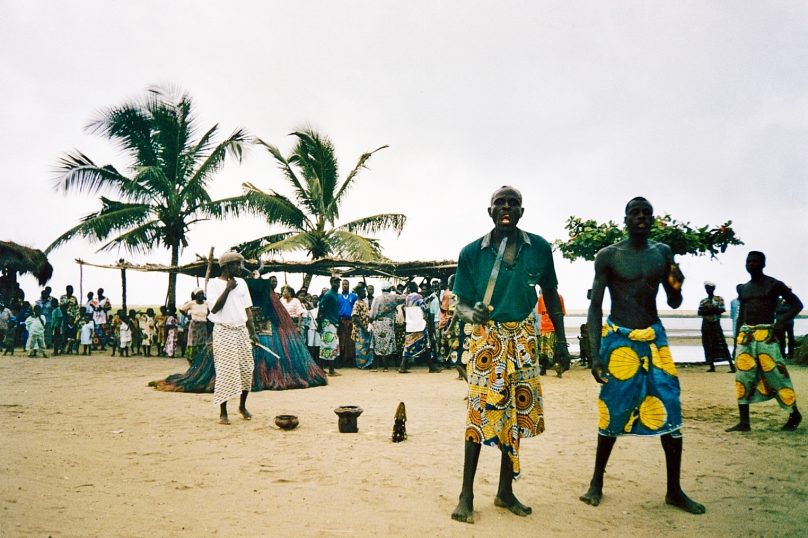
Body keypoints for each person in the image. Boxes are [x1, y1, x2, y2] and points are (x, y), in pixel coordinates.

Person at [451, 186, 570, 524]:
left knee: (515, 418)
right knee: (479, 414)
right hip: (487, 341)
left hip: (524, 339)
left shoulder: (540, 248)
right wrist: (472, 313)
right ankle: (466, 494)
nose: (506, 208)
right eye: (500, 203)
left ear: (522, 211)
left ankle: (505, 491)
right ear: (489, 211)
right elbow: (459, 301)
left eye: (512, 203)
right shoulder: (472, 252)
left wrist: (561, 343)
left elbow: (549, 293)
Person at [579, 196, 705, 515]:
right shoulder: (608, 256)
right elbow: (595, 306)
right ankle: (596, 482)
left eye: (646, 213)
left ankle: (674, 491)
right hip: (619, 339)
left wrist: (676, 284)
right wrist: (595, 355)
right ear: (625, 219)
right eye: (635, 212)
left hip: (654, 338)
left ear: (653, 219)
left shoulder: (662, 253)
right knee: (613, 408)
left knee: (670, 406)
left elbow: (675, 301)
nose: (641, 217)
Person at [726, 251, 802, 432]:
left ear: (763, 264)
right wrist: (737, 340)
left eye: (755, 262)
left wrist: (781, 321)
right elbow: (741, 315)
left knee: (776, 374)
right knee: (743, 377)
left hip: (766, 335)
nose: (751, 264)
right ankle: (744, 422)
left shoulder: (773, 284)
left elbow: (797, 305)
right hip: (746, 336)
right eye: (748, 262)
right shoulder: (743, 288)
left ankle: (794, 413)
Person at [207, 251, 259, 425]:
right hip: (223, 330)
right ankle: (223, 412)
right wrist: (228, 288)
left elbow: (247, 310)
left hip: (241, 330)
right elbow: (214, 309)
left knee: (246, 368)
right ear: (226, 267)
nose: (240, 267)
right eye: (236, 264)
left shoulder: (243, 283)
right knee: (225, 371)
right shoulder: (214, 284)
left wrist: (253, 332)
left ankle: (242, 406)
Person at [698, 282, 736, 372]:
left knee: (721, 343)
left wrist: (709, 310)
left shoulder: (719, 299)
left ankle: (731, 366)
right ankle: (712, 366)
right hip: (706, 324)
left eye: (709, 288)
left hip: (716, 323)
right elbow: (700, 312)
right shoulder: (703, 301)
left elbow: (722, 309)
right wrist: (713, 310)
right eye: (707, 288)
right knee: (708, 344)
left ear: (713, 289)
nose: (708, 290)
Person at [369, 282, 403, 371]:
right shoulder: (394, 297)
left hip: (378, 323)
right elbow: (405, 297)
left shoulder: (377, 299)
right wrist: (396, 290)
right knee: (387, 344)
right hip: (389, 323)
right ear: (390, 289)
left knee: (377, 343)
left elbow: (372, 313)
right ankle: (385, 367)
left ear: (381, 289)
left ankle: (375, 367)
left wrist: (371, 321)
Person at [537, 290, 566, 376]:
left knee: (543, 350)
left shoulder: (541, 298)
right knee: (556, 349)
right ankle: (558, 370)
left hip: (544, 328)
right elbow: (562, 313)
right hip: (554, 327)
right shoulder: (559, 297)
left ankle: (544, 369)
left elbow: (540, 313)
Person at [317, 276, 342, 376]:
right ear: (331, 283)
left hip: (333, 322)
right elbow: (321, 309)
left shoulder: (335, 294)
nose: (337, 284)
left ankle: (324, 369)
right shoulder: (328, 295)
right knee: (327, 345)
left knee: (331, 345)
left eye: (338, 282)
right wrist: (319, 325)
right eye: (335, 282)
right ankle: (328, 370)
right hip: (327, 322)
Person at [180, 289, 210, 361]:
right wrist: (187, 316)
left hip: (203, 325)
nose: (201, 296)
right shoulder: (192, 303)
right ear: (195, 296)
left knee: (202, 342)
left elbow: (209, 312)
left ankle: (201, 357)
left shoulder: (206, 303)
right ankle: (191, 357)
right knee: (193, 342)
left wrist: (207, 317)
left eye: (202, 294)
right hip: (194, 325)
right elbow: (181, 309)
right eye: (199, 294)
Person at [351, 285, 373, 369]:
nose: (365, 293)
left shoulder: (363, 302)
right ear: (359, 293)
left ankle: (366, 364)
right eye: (364, 291)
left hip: (365, 328)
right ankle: (361, 365)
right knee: (361, 348)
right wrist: (364, 329)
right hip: (360, 329)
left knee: (365, 347)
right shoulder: (357, 303)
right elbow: (355, 317)